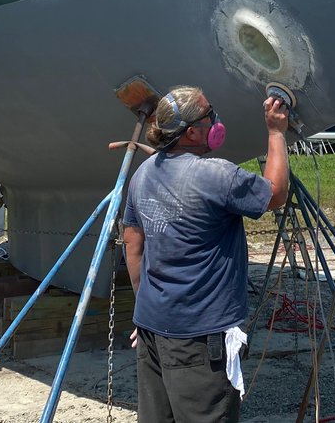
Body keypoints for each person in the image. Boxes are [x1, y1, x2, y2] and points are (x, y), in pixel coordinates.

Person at [122, 86, 289, 423]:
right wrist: (275, 132)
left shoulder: (144, 174)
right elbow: (274, 194)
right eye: (209, 114)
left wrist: (147, 309)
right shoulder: (214, 175)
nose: (216, 119)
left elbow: (132, 243)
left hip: (152, 331)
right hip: (199, 340)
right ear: (193, 132)